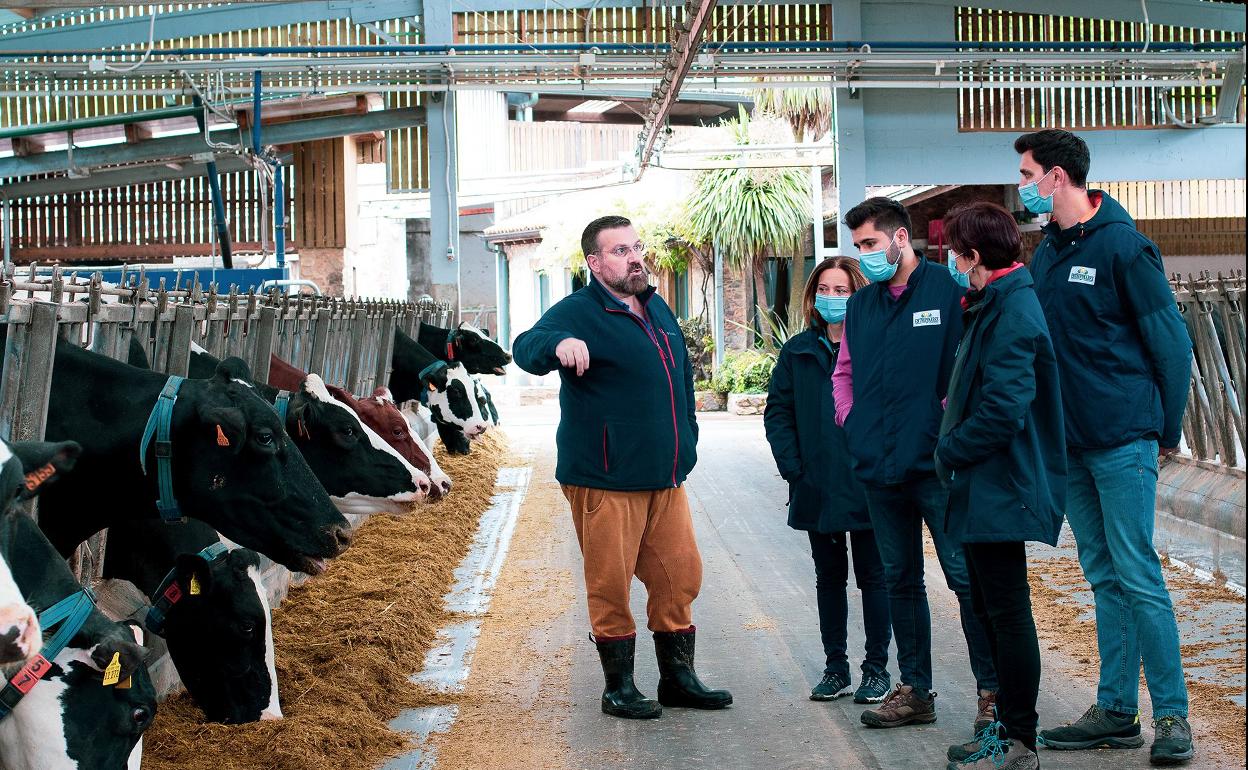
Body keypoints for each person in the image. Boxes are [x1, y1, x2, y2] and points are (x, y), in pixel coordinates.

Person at [1014, 130, 1195, 765]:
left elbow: (1172, 346)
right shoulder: (1047, 255)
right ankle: (1117, 710)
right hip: (1070, 444)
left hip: (1122, 439)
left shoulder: (1125, 247)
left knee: (1139, 574)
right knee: (1103, 577)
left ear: (1056, 178)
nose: (1023, 184)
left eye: (1027, 173)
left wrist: (1163, 431)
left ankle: (1173, 717)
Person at [512, 214, 732, 720]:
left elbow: (680, 382)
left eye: (636, 247)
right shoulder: (578, 311)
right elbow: (526, 347)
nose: (634, 257)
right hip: (606, 478)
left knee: (679, 575)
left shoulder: (657, 309)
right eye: (619, 251)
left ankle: (678, 680)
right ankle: (619, 688)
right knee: (609, 584)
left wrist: (689, 443)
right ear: (595, 262)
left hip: (665, 475)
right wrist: (557, 345)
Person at [832, 197, 999, 734]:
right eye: (857, 247)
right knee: (900, 580)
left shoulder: (950, 294)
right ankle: (915, 691)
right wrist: (851, 421)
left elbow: (967, 373)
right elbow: (845, 373)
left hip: (936, 467)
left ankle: (992, 692)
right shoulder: (862, 306)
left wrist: (946, 432)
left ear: (900, 239)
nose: (864, 257)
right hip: (879, 468)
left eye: (870, 245)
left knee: (966, 580)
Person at [934, 202, 1066, 770]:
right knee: (990, 608)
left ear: (975, 257)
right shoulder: (994, 301)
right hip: (984, 481)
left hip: (999, 480)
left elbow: (1005, 407)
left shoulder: (1013, 307)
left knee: (1008, 612)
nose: (953, 265)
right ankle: (1008, 731)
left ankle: (1021, 739)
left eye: (956, 255)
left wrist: (950, 448)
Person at [764, 257, 893, 705]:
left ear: (859, 295)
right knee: (828, 577)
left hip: (869, 482)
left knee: (875, 578)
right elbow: (778, 412)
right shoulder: (799, 350)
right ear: (813, 296)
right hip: (817, 484)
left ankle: (877, 669)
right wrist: (794, 468)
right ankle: (835, 666)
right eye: (826, 289)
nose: (833, 298)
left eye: (843, 291)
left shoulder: (876, 344)